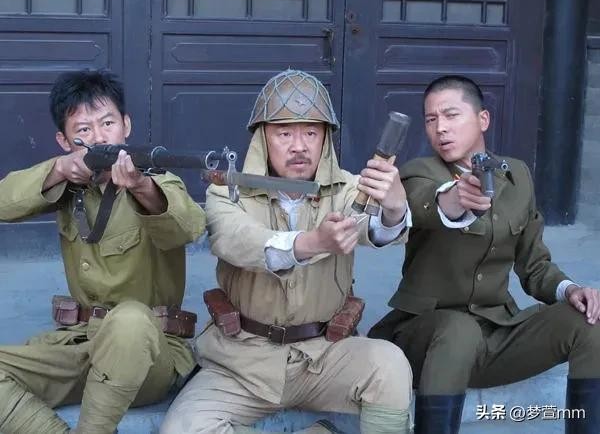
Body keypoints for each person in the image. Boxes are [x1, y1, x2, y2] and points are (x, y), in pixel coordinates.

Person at [161, 69, 414, 434]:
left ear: (325, 138)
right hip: (241, 361)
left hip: (326, 353)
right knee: (183, 428)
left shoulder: (349, 189)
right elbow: (238, 240)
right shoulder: (226, 192)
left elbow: (374, 227)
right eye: (284, 133)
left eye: (311, 132)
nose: (299, 146)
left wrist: (394, 207)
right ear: (262, 139)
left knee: (390, 366)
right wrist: (313, 243)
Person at [368, 75, 600, 434]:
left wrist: (570, 290)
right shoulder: (418, 173)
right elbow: (428, 202)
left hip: (495, 334)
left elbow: (535, 265)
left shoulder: (517, 175)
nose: (440, 128)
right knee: (458, 330)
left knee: (589, 323)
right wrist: (457, 198)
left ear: (483, 119)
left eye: (451, 115)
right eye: (431, 119)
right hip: (425, 340)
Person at [0, 70, 206, 434]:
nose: (98, 137)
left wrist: (142, 188)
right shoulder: (68, 183)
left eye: (107, 123)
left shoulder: (158, 181)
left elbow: (190, 226)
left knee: (130, 321)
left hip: (148, 352)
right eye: (84, 129)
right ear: (64, 140)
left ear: (126, 125)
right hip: (81, 341)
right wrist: (58, 170)